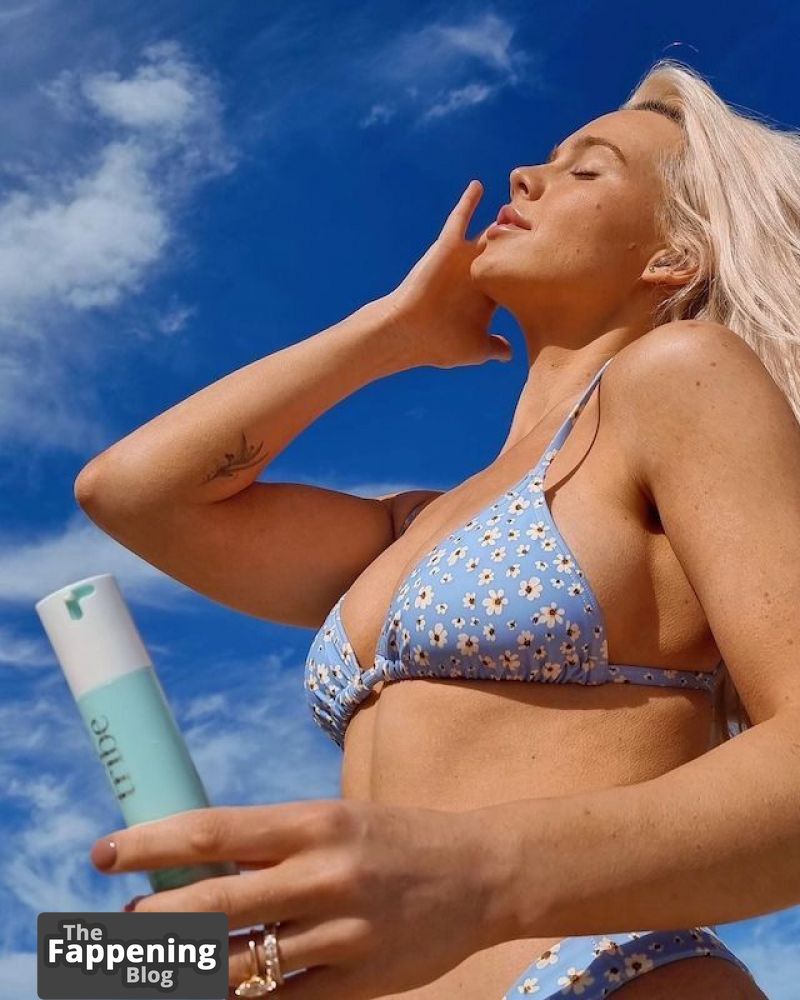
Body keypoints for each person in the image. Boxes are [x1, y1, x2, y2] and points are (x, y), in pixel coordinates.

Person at [77, 57, 800, 998]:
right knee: (82, 964)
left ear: (672, 257)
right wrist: (391, 330)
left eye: (587, 169)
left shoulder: (678, 378)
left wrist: (477, 874)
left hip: (588, 976)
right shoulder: (413, 526)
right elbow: (131, 494)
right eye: (545, 160)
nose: (523, 177)